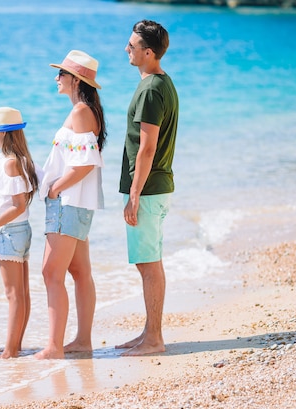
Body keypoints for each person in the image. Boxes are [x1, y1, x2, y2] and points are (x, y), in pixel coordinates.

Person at [35, 50, 107, 360]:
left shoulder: (80, 112)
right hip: (75, 203)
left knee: (51, 272)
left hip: (68, 203)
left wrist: (54, 189)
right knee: (79, 271)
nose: (56, 78)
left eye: (61, 74)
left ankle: (54, 346)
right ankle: (82, 341)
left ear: (75, 80)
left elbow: (85, 164)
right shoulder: (84, 111)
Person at [116, 20, 179, 356]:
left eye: (132, 45)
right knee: (148, 261)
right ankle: (148, 333)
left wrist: (135, 194)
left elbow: (147, 147)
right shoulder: (160, 83)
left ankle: (154, 339)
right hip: (155, 186)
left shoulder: (152, 89)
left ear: (148, 53)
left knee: (149, 262)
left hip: (149, 188)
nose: (127, 49)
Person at [0, 107, 40, 359]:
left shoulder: (11, 163)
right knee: (21, 292)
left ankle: (11, 350)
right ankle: (16, 344)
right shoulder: (21, 160)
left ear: (3, 134)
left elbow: (18, 205)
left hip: (9, 231)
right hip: (19, 231)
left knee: (14, 294)